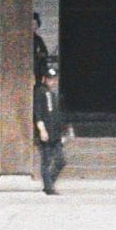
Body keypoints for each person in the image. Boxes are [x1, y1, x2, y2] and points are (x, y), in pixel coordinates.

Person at [35, 66, 67, 195]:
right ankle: (49, 187)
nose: (52, 82)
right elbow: (37, 113)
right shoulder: (40, 92)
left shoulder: (53, 94)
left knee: (61, 160)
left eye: (54, 79)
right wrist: (41, 129)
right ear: (44, 79)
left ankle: (50, 183)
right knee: (46, 160)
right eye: (50, 79)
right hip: (46, 131)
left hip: (55, 132)